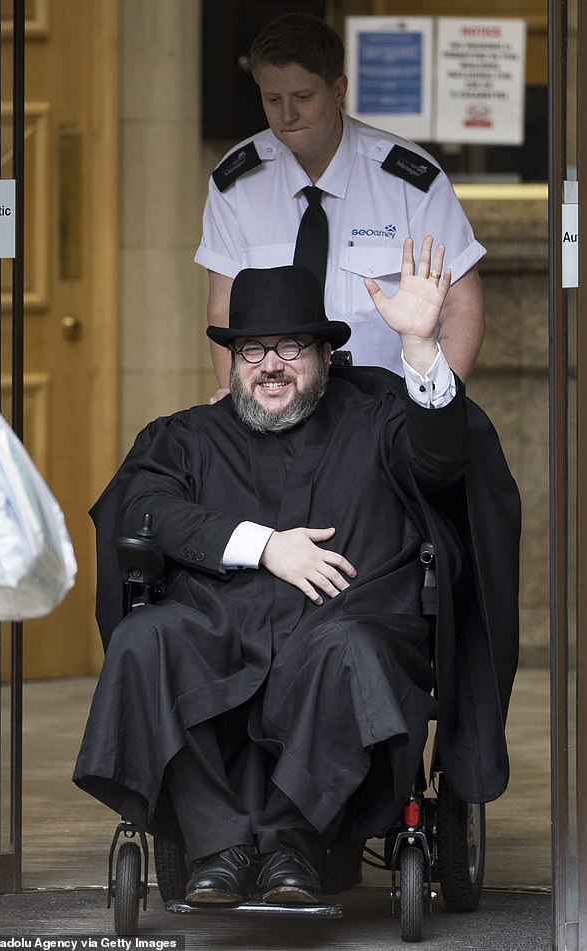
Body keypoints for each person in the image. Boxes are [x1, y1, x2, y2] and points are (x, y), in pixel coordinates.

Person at [74, 238, 519, 907]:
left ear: (323, 356)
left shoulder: (376, 421)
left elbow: (442, 458)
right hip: (219, 630)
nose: (270, 366)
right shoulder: (189, 436)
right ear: (232, 360)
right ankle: (218, 847)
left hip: (344, 627)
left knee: (349, 650)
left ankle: (294, 843)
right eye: (252, 350)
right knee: (145, 640)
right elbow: (140, 506)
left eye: (290, 348)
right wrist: (262, 545)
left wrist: (423, 349)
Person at [195, 13, 486, 396]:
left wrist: (433, 410)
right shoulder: (235, 183)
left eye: (302, 97)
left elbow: (462, 306)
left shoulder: (409, 181)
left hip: (387, 414)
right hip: (275, 414)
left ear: (338, 89)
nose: (287, 115)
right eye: (272, 99)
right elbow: (224, 310)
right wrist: (241, 408)